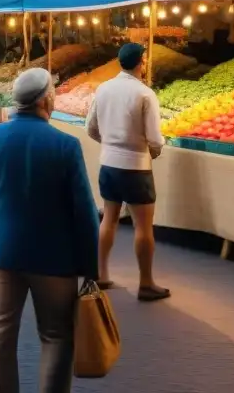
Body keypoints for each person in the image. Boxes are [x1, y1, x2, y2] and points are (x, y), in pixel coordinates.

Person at [0, 68, 100, 392]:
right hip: (55, 260)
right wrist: (89, 268)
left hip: (2, 254)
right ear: (45, 101)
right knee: (56, 336)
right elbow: (84, 212)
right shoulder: (66, 145)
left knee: (0, 332)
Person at [85, 42, 169, 301]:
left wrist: (110, 145)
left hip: (109, 165)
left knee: (108, 218)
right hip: (136, 168)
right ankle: (145, 282)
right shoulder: (145, 94)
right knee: (142, 226)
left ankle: (101, 273)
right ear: (140, 62)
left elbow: (91, 127)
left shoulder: (104, 89)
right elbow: (155, 138)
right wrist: (154, 151)